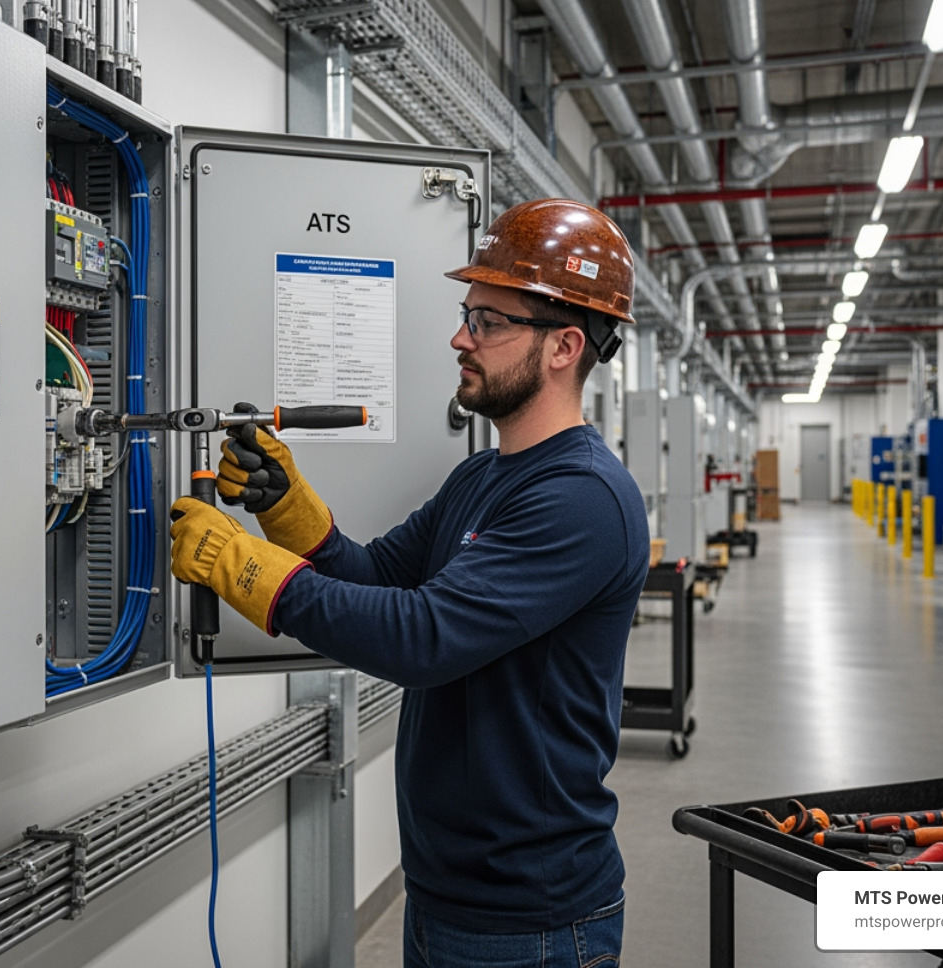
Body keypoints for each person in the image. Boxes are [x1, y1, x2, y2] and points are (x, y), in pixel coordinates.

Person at [168, 198, 650, 967]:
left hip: (529, 918)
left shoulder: (582, 499)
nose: (461, 338)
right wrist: (287, 509)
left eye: (488, 322)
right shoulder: (481, 476)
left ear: (563, 346)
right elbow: (381, 577)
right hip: (444, 892)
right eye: (467, 315)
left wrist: (242, 565)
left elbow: (421, 639)